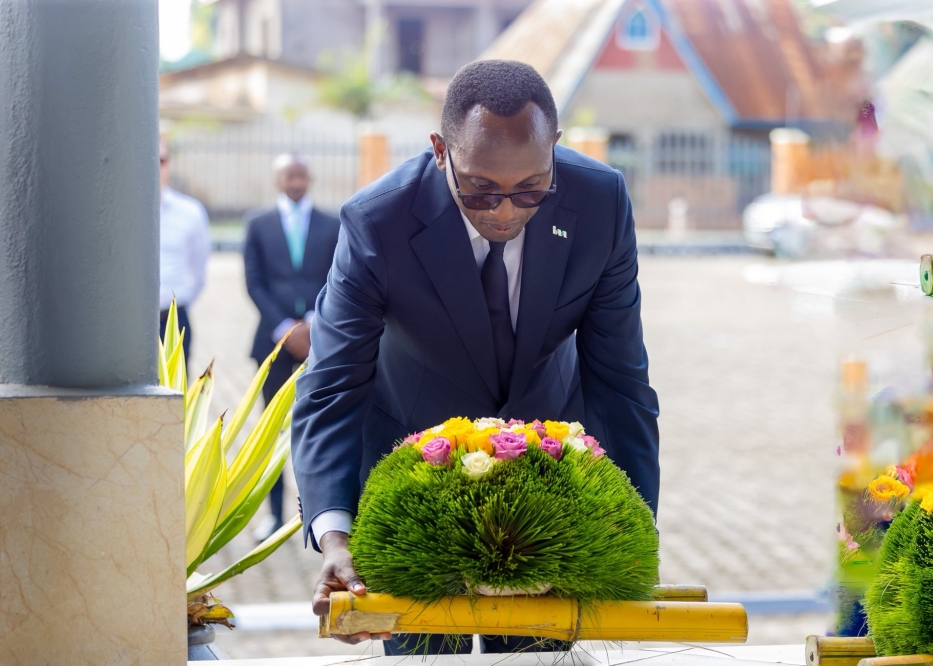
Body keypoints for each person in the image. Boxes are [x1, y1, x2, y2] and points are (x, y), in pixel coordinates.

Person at [292, 60, 659, 654]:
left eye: (531, 188)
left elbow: (621, 381)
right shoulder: (376, 221)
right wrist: (337, 537)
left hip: (545, 477)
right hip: (416, 482)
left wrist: (638, 531)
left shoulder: (601, 202)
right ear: (440, 151)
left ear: (556, 150)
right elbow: (332, 386)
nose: (506, 211)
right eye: (481, 189)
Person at [244, 154, 340, 541]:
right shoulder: (257, 224)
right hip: (273, 343)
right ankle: (273, 515)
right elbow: (254, 283)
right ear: (277, 179)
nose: (295, 181)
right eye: (288, 175)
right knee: (271, 432)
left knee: (321, 428)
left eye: (300, 174)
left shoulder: (332, 224)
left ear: (309, 178)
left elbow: (339, 276)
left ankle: (321, 513)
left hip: (322, 341)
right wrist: (286, 329)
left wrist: (314, 325)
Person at [159, 138, 211, 361]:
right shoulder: (117, 210)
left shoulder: (190, 212)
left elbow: (199, 268)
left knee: (176, 392)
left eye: (160, 160)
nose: (154, 166)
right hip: (127, 323)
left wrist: (181, 299)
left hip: (173, 317)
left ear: (169, 164)